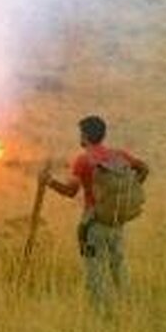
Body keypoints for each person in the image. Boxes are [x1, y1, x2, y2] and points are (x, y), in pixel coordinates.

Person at [41, 115, 150, 310]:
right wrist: (127, 192)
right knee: (119, 265)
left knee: (95, 271)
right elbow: (144, 168)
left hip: (94, 223)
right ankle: (128, 308)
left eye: (80, 133)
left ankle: (103, 314)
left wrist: (48, 181)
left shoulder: (83, 160)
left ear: (85, 136)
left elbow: (70, 191)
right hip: (116, 220)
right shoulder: (119, 155)